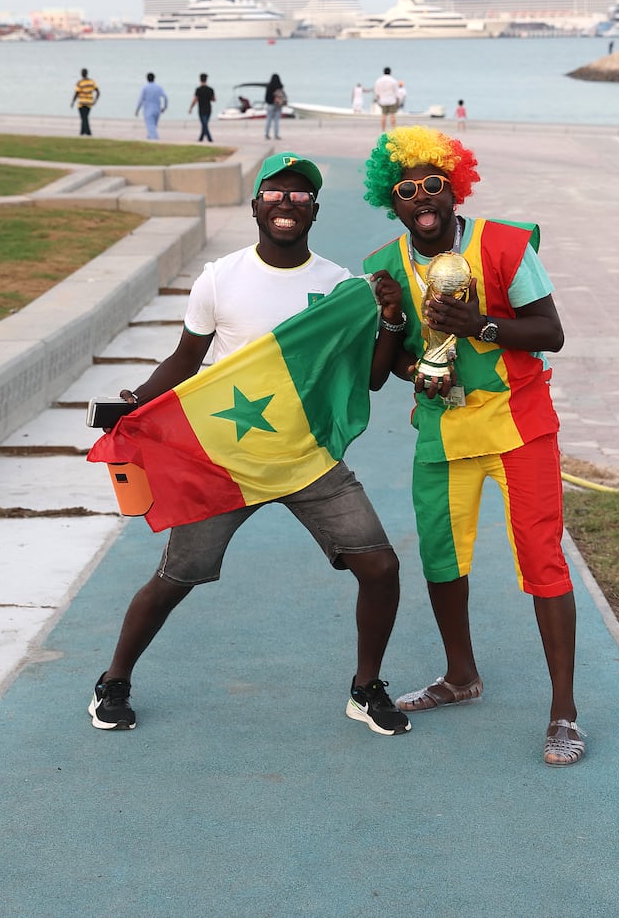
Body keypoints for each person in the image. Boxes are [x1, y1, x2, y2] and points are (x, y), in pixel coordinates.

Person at [88, 151, 410, 739]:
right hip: (226, 461)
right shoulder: (219, 278)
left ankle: (366, 690)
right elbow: (187, 360)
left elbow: (368, 378)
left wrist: (389, 316)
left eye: (299, 195)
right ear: (256, 205)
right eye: (275, 193)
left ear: (314, 209)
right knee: (175, 578)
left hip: (306, 457)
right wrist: (134, 405)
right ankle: (113, 681)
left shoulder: (339, 286)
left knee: (381, 567)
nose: (286, 203)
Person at [362, 125, 584, 767]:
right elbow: (391, 364)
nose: (421, 198)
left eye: (433, 184)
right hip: (442, 431)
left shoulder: (505, 245)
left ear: (453, 188)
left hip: (519, 423)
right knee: (439, 555)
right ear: (394, 201)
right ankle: (461, 675)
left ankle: (563, 711)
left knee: (543, 559)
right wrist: (411, 358)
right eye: (405, 190)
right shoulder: (383, 266)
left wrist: (481, 325)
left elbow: (552, 331)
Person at [135, 72, 168, 140]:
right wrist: (164, 107)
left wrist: (137, 110)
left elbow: (141, 100)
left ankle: (155, 139)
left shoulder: (145, 88)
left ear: (147, 79)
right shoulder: (159, 87)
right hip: (157, 110)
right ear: (154, 78)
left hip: (148, 110)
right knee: (153, 126)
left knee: (150, 126)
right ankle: (150, 137)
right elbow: (165, 97)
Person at [70, 68, 99, 136]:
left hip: (82, 103)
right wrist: (95, 101)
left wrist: (73, 102)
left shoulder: (80, 82)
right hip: (89, 102)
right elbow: (98, 92)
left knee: (84, 118)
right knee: (85, 117)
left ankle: (87, 132)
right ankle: (83, 132)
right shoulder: (92, 82)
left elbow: (76, 93)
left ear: (82, 74)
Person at [188, 72, 216, 142]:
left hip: (201, 109)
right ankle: (201, 139)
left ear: (200, 80)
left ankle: (210, 139)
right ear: (206, 80)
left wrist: (191, 107)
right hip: (208, 109)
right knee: (205, 124)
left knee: (204, 124)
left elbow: (195, 99)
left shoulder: (198, 89)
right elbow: (214, 99)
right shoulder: (210, 89)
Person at [373, 67, 400, 132]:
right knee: (392, 115)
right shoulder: (393, 80)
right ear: (390, 72)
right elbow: (396, 92)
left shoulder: (379, 80)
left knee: (383, 115)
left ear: (383, 72)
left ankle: (383, 130)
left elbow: (376, 92)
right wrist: (398, 100)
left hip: (383, 100)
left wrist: (378, 98)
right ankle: (393, 130)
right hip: (392, 100)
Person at [264, 73, 286, 140]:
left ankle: (267, 134)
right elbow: (283, 95)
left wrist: (269, 102)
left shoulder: (269, 86)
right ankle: (276, 135)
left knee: (268, 120)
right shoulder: (280, 86)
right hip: (278, 105)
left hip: (270, 105)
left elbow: (266, 97)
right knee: (276, 121)